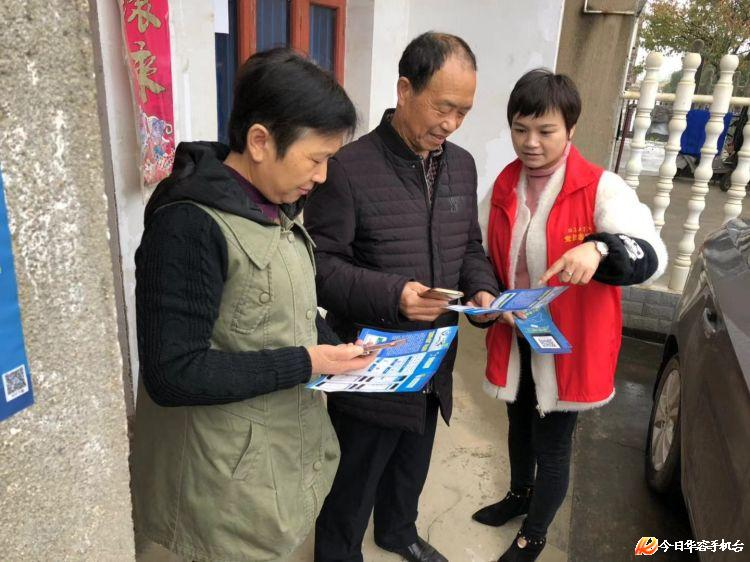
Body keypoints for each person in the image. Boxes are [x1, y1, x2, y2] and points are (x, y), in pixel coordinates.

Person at [130, 48, 376, 562]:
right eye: (316, 159)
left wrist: (337, 349)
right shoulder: (188, 225)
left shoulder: (274, 205)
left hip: (271, 459)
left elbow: (280, 306)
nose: (323, 176)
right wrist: (308, 361)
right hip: (217, 486)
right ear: (261, 141)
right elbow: (173, 373)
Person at [304, 32, 500, 562]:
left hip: (435, 356)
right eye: (443, 107)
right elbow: (319, 265)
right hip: (373, 362)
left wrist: (483, 290)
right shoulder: (347, 167)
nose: (451, 124)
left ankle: (398, 532)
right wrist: (394, 296)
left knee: (413, 459)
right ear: (405, 90)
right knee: (354, 478)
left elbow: (469, 246)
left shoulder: (461, 165)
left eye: (463, 112)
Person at [472, 69, 668, 562]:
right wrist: (485, 296)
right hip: (516, 330)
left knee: (553, 443)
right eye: (520, 129)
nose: (530, 143)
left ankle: (534, 534)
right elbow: (479, 251)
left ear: (571, 129)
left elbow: (651, 254)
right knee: (518, 423)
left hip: (568, 343)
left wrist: (599, 248)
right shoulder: (505, 183)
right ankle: (519, 494)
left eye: (546, 131)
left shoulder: (601, 188)